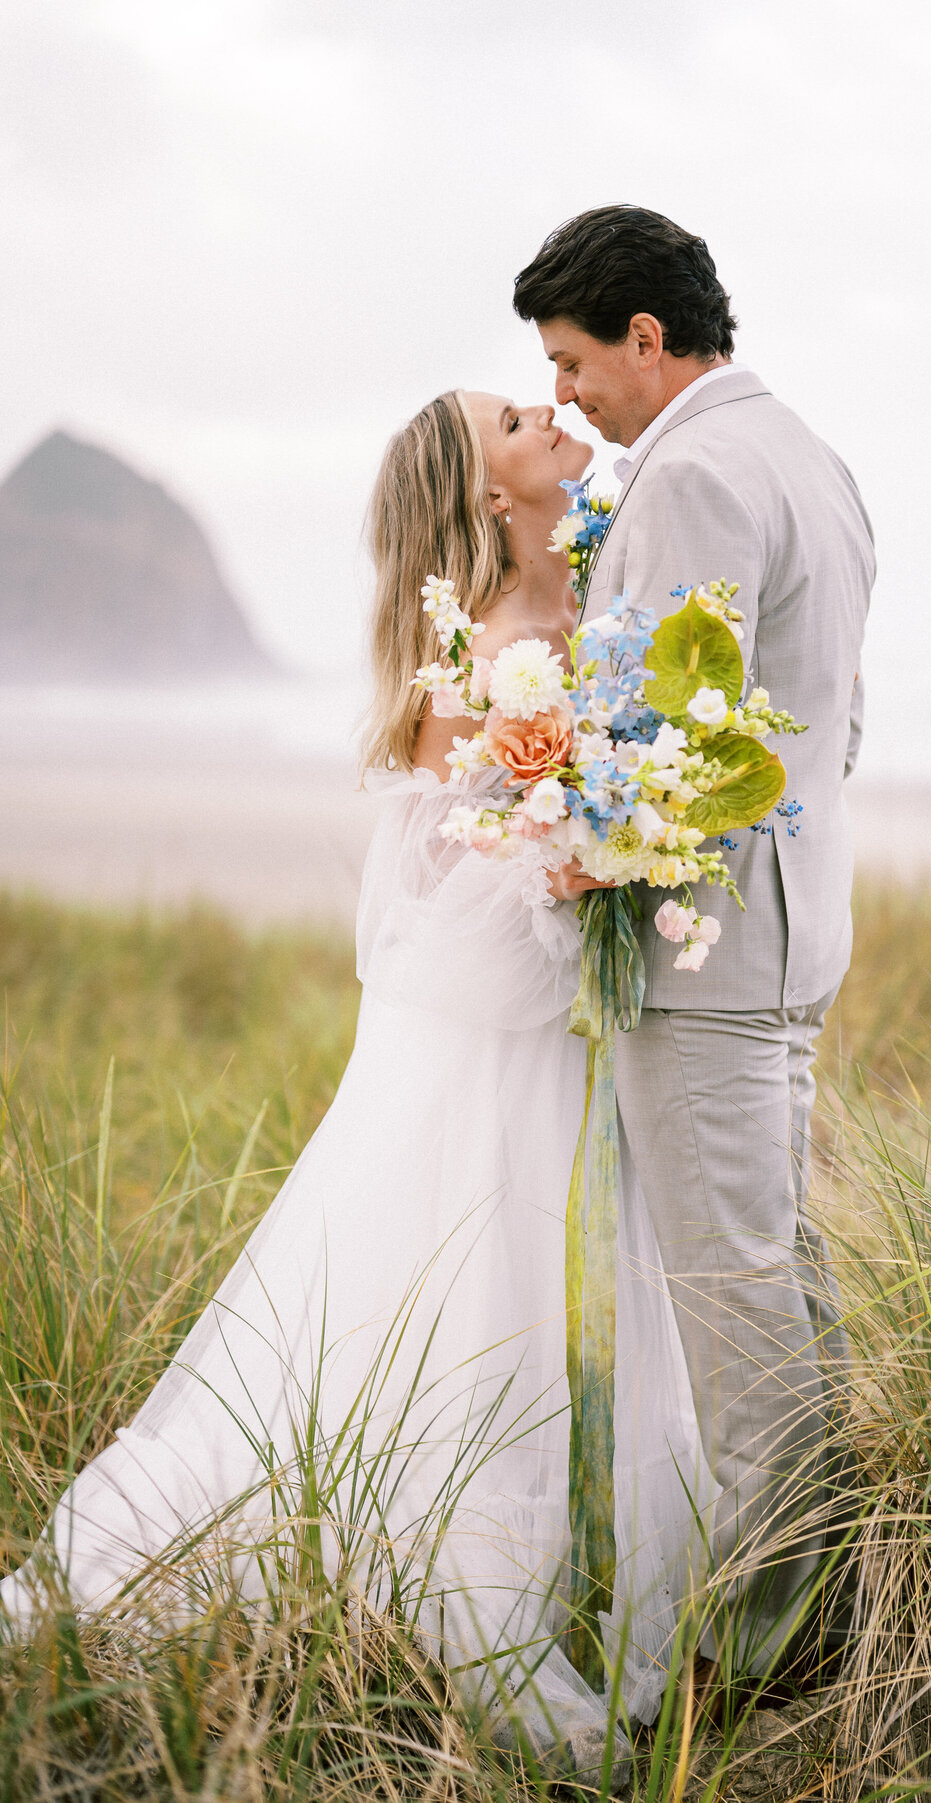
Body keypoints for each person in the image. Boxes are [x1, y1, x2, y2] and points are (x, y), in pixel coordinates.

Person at [0, 390, 719, 1785]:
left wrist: (613, 847)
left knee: (464, 1303)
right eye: (519, 418)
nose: (553, 413)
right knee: (434, 1301)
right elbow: (467, 906)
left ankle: (419, 1548)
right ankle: (431, 1583)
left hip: (519, 1050)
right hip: (475, 1058)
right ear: (486, 492)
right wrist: (598, 868)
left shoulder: (582, 602)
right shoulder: (498, 655)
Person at [514, 204, 875, 1675]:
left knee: (736, 1303)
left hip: (710, 948)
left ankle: (776, 1644)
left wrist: (566, 847)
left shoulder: (696, 475)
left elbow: (649, 734)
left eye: (574, 361)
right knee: (776, 1274)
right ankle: (841, 1599)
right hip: (790, 925)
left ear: (646, 340)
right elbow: (833, 715)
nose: (565, 396)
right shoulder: (809, 455)